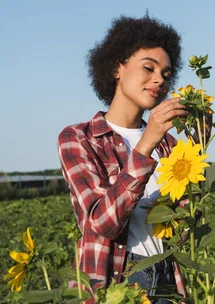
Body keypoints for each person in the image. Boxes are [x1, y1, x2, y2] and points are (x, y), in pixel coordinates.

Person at [58, 15, 188, 302]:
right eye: (148, 68)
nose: (159, 80)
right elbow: (103, 224)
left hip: (168, 275)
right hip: (118, 275)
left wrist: (200, 147)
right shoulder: (80, 138)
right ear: (117, 68)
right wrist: (145, 146)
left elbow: (187, 223)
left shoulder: (170, 144)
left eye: (166, 75)